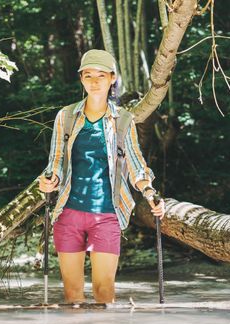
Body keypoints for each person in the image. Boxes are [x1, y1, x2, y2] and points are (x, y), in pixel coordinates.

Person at [39, 49, 165, 304]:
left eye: (100, 75)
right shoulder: (65, 117)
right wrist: (46, 181)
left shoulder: (123, 120)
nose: (94, 82)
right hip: (68, 214)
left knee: (104, 291)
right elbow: (55, 161)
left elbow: (135, 164)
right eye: (88, 76)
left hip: (107, 214)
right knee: (72, 295)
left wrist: (150, 193)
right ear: (81, 80)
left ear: (112, 79)